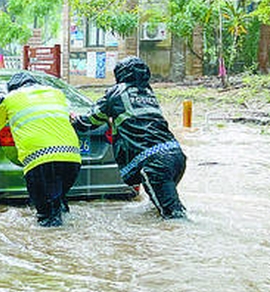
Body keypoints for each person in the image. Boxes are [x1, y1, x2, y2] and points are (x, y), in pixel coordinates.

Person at [72, 56, 187, 219]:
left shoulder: (116, 93)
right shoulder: (148, 92)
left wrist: (75, 119)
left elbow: (91, 120)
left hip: (154, 164)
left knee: (174, 218)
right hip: (177, 158)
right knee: (160, 210)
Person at [0, 71, 82, 227]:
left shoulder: (7, 99)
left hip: (40, 162)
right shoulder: (57, 94)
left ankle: (50, 246)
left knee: (45, 216)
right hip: (72, 160)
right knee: (58, 205)